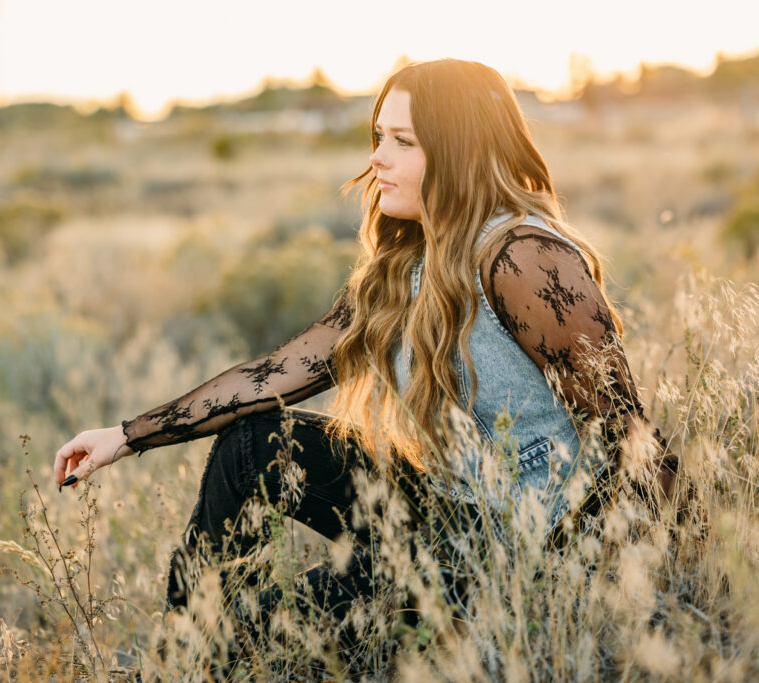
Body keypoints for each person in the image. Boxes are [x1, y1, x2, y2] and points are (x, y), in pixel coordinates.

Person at [53, 58, 677, 664]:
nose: (377, 156)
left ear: (457, 150)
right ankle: (181, 658)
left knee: (261, 627)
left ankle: (203, 655)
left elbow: (629, 434)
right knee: (253, 443)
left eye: (403, 140)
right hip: (442, 513)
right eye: (379, 136)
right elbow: (272, 376)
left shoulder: (523, 259)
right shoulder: (404, 269)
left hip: (511, 560)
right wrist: (126, 437)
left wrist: (665, 588)